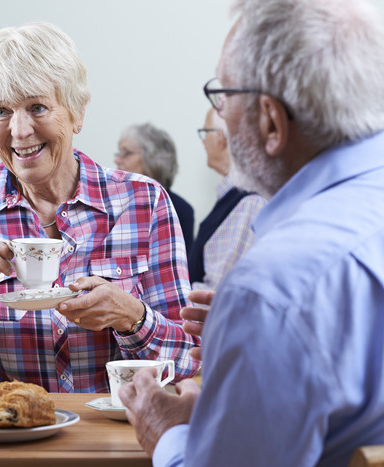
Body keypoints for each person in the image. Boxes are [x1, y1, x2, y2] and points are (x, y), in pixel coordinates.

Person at [119, 0, 384, 465]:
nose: (218, 115)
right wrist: (257, 354)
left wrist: (165, 432)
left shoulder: (271, 290)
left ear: (270, 121)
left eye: (222, 94)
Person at [0, 22, 200, 393]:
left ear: (77, 112)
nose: (19, 131)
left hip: (118, 444)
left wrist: (132, 318)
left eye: (37, 107)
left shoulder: (144, 203)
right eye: (1, 112)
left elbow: (186, 361)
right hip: (8, 440)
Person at [188, 108, 266, 290]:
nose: (203, 141)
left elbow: (216, 292)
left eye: (205, 132)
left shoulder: (249, 202)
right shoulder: (235, 197)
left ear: (221, 138)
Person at [116, 123, 195, 252]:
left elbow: (183, 269)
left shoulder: (180, 210)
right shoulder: (112, 203)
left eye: (126, 153)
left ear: (152, 159)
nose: (117, 159)